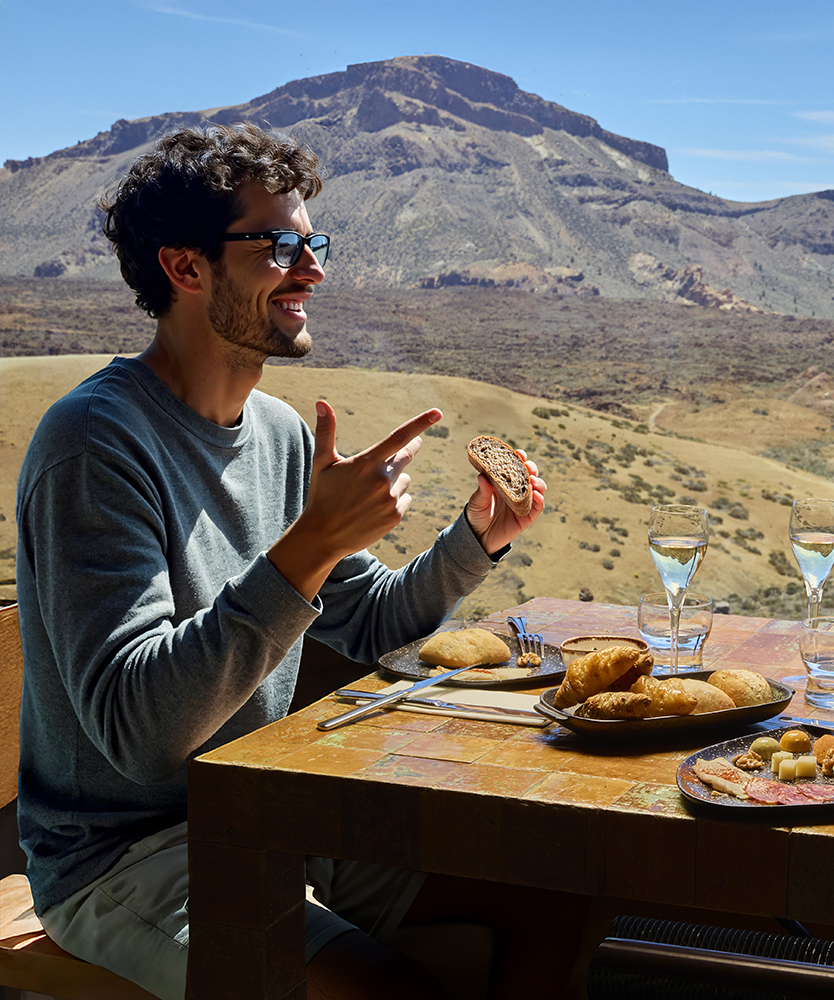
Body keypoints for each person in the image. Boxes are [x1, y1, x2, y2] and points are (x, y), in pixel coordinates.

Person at [13, 123, 577, 999]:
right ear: (185, 267)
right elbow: (142, 735)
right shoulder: (94, 445)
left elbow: (371, 619)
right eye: (280, 245)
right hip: (126, 855)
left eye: (313, 241)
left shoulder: (274, 435)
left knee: (557, 895)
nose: (312, 268)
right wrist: (312, 543)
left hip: (267, 815)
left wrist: (477, 539)